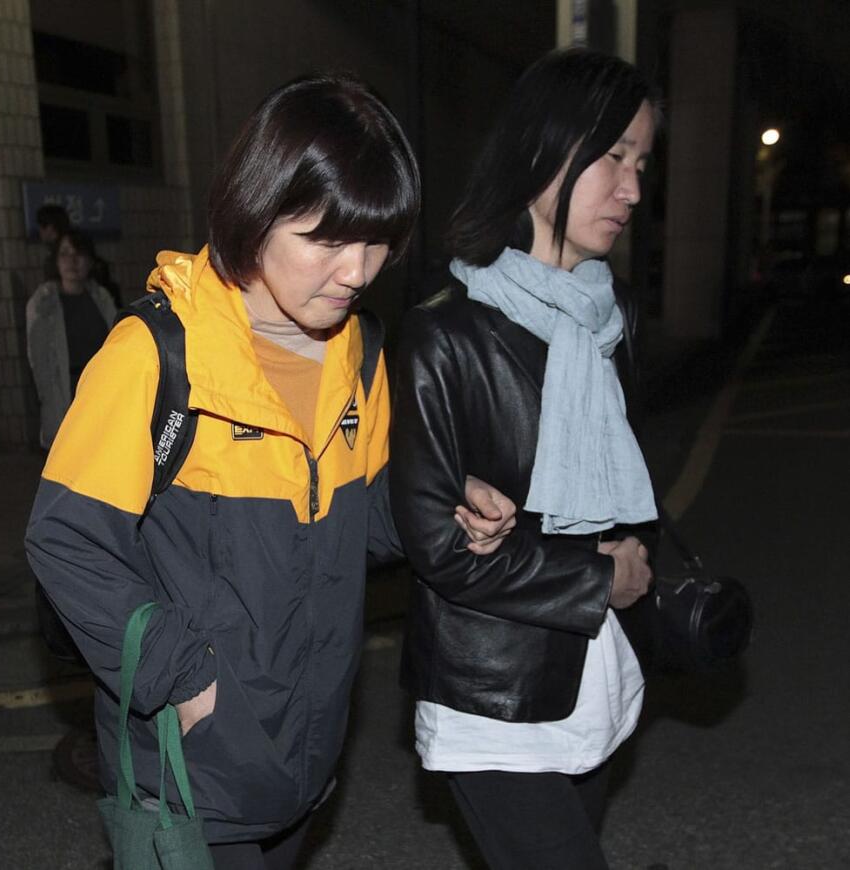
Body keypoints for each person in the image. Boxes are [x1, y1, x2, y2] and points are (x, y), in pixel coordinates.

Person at [27, 73, 516, 868]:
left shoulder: (359, 354)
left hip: (303, 754)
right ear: (256, 211)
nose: (358, 270)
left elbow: (366, 520)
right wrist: (185, 683)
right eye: (326, 240)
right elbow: (66, 540)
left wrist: (446, 503)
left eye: (379, 241)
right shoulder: (156, 356)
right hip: (191, 770)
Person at [390, 48, 659, 869]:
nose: (634, 189)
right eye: (614, 157)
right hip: (495, 706)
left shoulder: (606, 323)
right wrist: (596, 581)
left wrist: (625, 564)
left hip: (592, 680)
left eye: (642, 162)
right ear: (545, 150)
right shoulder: (444, 336)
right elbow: (437, 545)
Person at [25, 229, 120, 449]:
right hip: (63, 390)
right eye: (65, 253)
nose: (72, 261)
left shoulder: (102, 297)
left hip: (99, 389)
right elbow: (38, 357)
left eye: (79, 254)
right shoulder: (44, 302)